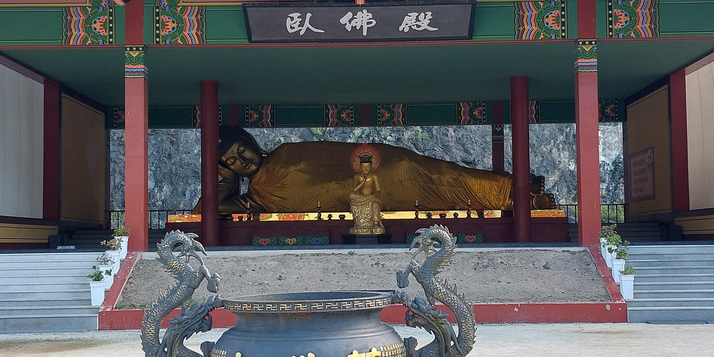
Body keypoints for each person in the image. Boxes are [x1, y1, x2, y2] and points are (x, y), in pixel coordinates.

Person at [196, 126, 556, 215]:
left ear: (252, 141)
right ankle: (516, 197)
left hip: (385, 168)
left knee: (446, 174)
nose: (241, 160)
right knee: (444, 189)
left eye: (242, 150)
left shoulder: (288, 152)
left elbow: (339, 156)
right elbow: (208, 210)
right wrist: (224, 180)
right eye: (231, 162)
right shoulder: (257, 199)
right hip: (377, 197)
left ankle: (513, 190)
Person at [348, 146, 384, 234]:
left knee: (375, 204)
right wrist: (362, 182)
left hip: (371, 198)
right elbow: (354, 191)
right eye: (363, 166)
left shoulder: (374, 176)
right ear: (359, 166)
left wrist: (371, 196)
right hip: (360, 198)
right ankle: (359, 224)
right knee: (351, 195)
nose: (366, 168)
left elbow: (378, 191)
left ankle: (375, 224)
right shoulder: (357, 176)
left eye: (368, 166)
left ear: (372, 166)